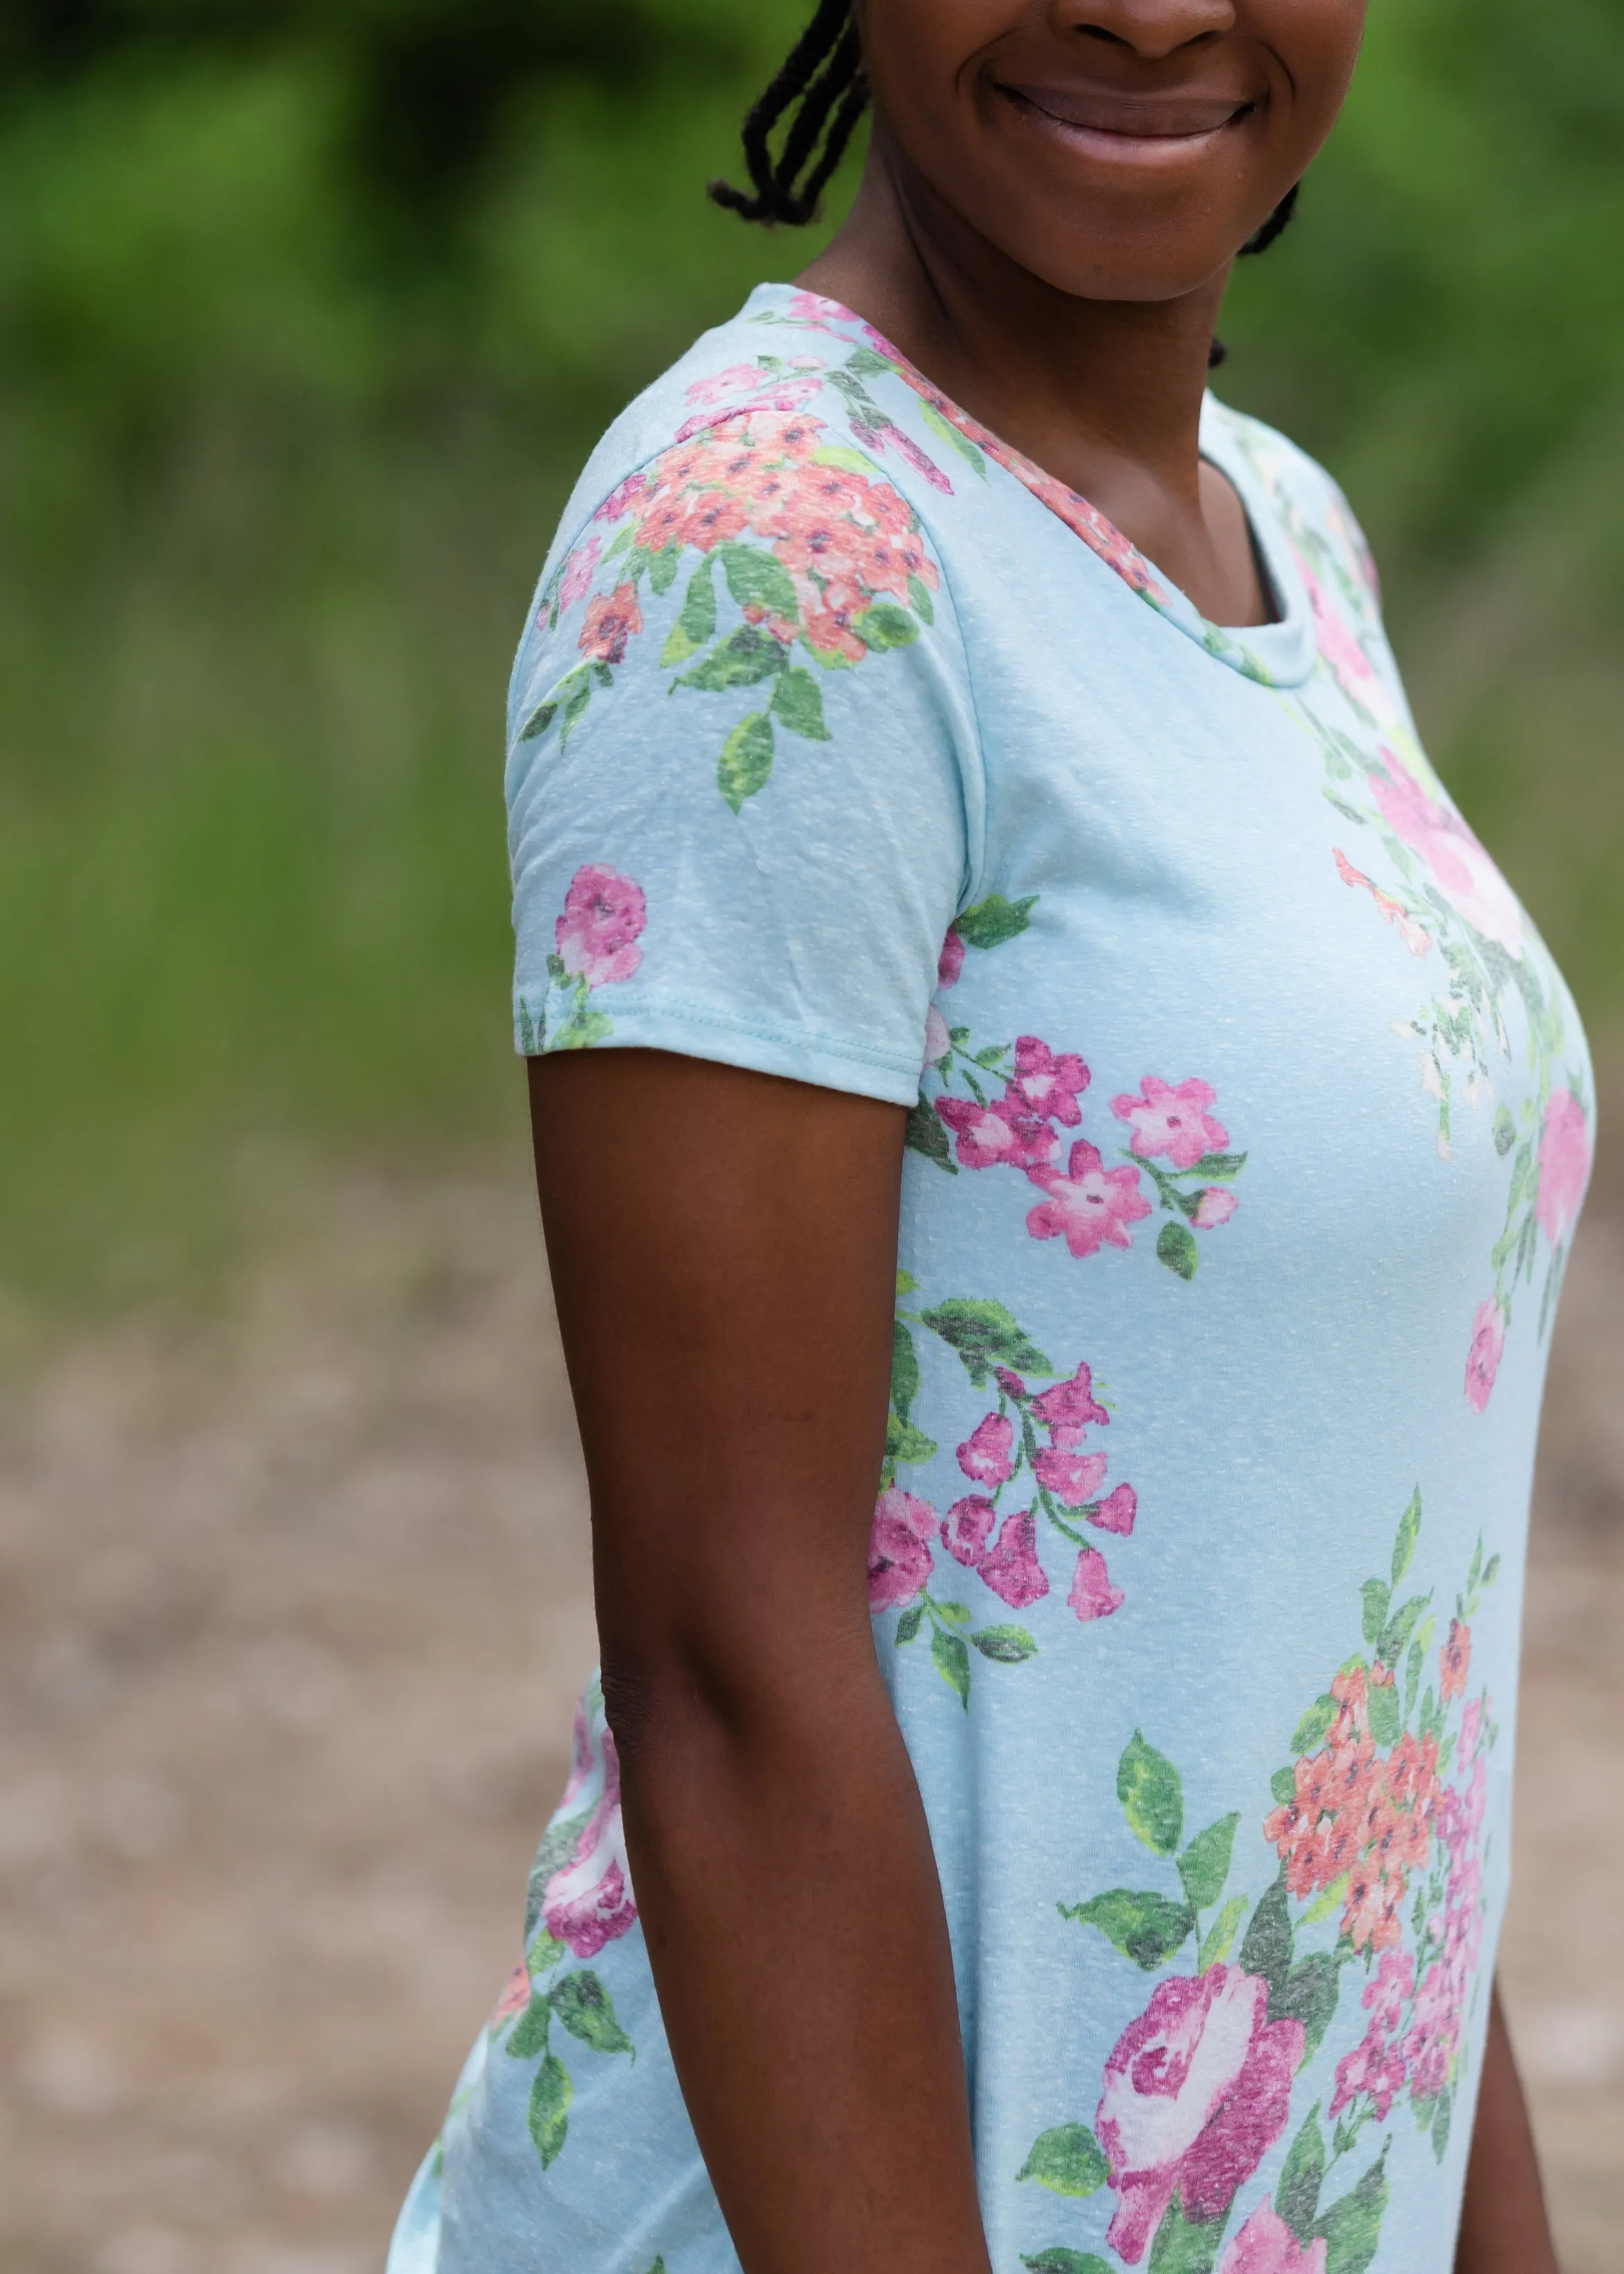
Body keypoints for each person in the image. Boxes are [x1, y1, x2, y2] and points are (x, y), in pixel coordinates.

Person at [390, 6, 1594, 2271]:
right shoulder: (763, 557)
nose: (1147, 9)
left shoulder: (1286, 538)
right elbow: (725, 1654)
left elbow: (1365, 1654)